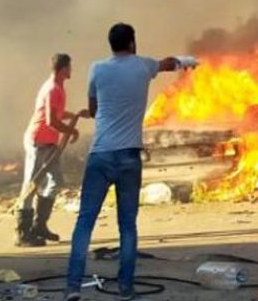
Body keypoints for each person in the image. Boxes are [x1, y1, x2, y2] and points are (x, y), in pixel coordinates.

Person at [65, 23, 196, 301]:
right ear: (133, 43)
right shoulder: (143, 66)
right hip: (128, 158)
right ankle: (126, 287)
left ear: (110, 44)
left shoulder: (97, 69)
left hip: (100, 155)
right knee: (127, 225)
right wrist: (187, 62)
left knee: (84, 222)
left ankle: (73, 287)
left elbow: (93, 108)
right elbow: (168, 63)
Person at [17, 53, 90, 247]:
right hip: (38, 141)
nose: (71, 71)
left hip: (49, 143)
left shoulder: (58, 88)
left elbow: (57, 113)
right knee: (31, 185)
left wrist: (73, 116)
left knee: (55, 181)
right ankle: (23, 234)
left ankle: (39, 225)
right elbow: (51, 120)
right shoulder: (52, 89)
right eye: (70, 67)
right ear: (63, 69)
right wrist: (71, 130)